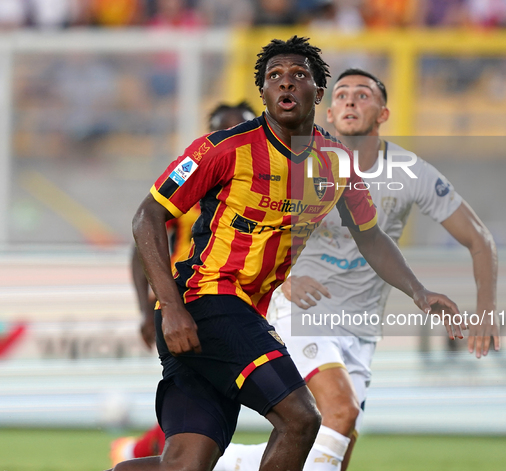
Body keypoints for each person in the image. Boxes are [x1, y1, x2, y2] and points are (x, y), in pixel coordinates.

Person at [109, 36, 461, 471]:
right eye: (274, 76)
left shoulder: (335, 162)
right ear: (264, 92)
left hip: (239, 313)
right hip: (206, 302)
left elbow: (371, 237)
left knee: (186, 465)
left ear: (318, 91)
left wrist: (419, 291)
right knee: (300, 418)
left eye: (299, 75)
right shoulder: (223, 148)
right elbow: (147, 217)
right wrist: (170, 308)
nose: (286, 84)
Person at [213, 68, 499, 471]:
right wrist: (284, 281)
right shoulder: (298, 163)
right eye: (342, 94)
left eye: (363, 95)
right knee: (341, 414)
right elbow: (248, 231)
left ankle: (218, 463)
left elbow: (480, 240)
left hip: (361, 328)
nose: (350, 101)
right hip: (300, 314)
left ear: (383, 113)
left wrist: (485, 310)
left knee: (332, 449)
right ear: (329, 114)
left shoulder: (412, 172)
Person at [110, 102, 256, 467]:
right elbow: (143, 234)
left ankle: (137, 452)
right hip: (189, 304)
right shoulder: (189, 177)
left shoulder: (261, 183)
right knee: (293, 412)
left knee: (201, 431)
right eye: (222, 129)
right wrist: (151, 310)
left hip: (243, 306)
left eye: (240, 128)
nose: (230, 137)